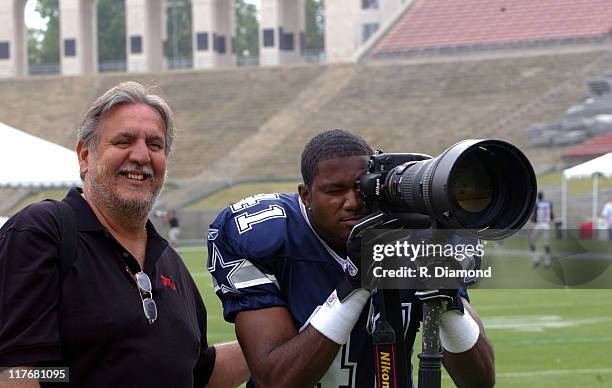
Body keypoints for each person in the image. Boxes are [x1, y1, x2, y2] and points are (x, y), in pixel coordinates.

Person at [0, 82, 248, 387]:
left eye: (155, 145)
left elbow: (197, 375)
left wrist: (302, 318)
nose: (142, 156)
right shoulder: (41, 232)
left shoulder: (169, 261)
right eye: (123, 141)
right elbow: (14, 372)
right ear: (84, 156)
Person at [208, 129, 495, 387]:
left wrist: (445, 301)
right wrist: (356, 282)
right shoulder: (265, 234)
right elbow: (275, 380)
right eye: (335, 191)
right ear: (306, 195)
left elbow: (480, 380)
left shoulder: (410, 232)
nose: (353, 202)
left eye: (361, 188)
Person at [529, 191, 554, 267]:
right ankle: (547, 261)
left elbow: (533, 217)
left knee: (531, 242)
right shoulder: (549, 203)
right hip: (546, 225)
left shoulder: (536, 204)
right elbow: (552, 216)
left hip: (538, 225)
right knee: (546, 245)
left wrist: (531, 220)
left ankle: (536, 260)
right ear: (543, 196)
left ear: (538, 197)